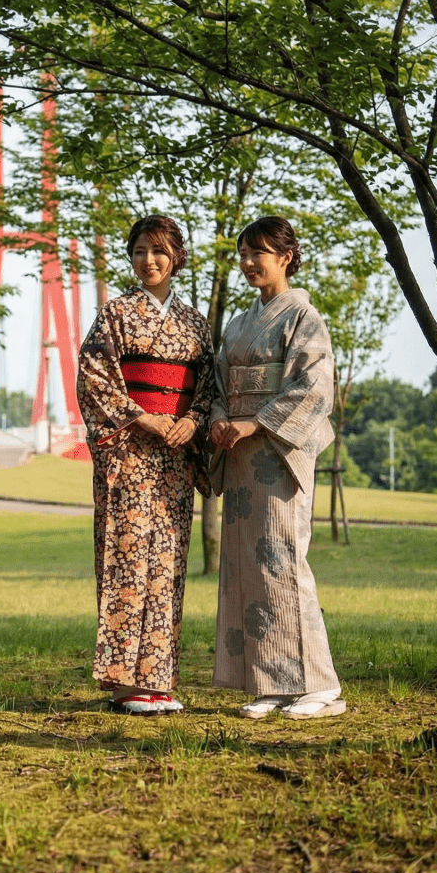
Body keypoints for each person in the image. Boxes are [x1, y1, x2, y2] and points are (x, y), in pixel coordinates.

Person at [77, 215, 216, 715]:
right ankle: (122, 682)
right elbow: (93, 380)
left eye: (158, 251)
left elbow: (207, 389)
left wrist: (193, 420)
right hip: (130, 453)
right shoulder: (114, 314)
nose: (148, 261)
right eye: (139, 251)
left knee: (169, 565)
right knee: (127, 560)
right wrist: (143, 418)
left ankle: (158, 680)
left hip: (175, 458)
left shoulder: (195, 324)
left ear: (176, 255)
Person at [208, 216, 345, 720]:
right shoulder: (239, 323)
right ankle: (273, 681)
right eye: (243, 254)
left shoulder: (303, 318)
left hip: (279, 454)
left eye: (258, 253)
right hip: (241, 454)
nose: (247, 263)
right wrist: (223, 420)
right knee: (247, 567)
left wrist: (254, 423)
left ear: (285, 256)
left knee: (283, 562)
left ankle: (320, 686)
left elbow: (314, 389)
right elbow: (220, 386)